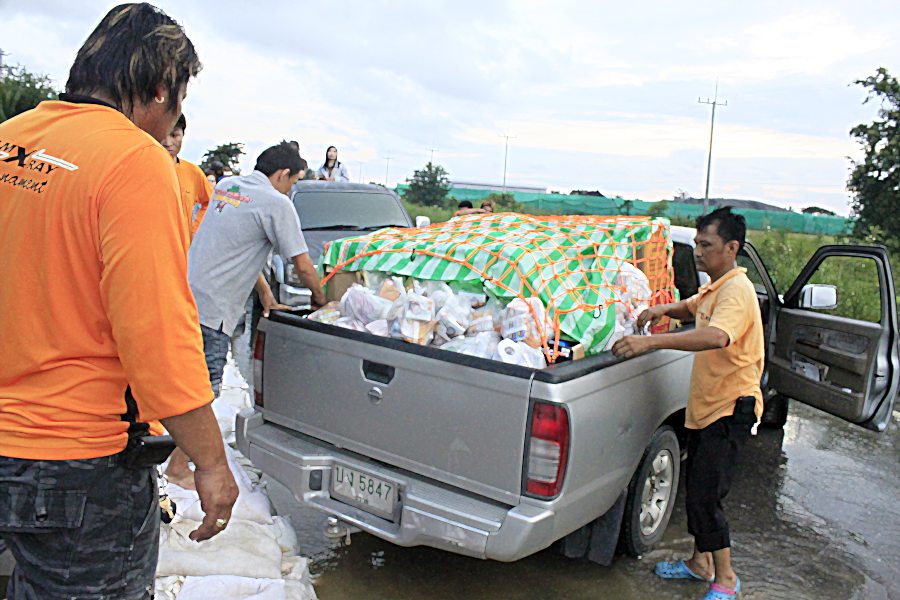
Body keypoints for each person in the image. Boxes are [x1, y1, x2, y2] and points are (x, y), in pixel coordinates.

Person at [0, 4, 238, 599]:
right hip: (76, 466)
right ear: (161, 89)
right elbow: (158, 337)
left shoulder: (10, 139)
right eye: (178, 102)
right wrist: (209, 462)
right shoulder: (136, 162)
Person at [611, 207, 763, 600]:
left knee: (706, 497)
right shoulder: (715, 287)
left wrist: (650, 340)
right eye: (696, 244)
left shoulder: (738, 292)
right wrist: (662, 310)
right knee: (699, 487)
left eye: (706, 245)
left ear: (732, 248)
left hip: (731, 408)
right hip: (708, 405)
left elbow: (715, 337)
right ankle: (700, 564)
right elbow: (692, 307)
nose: (698, 252)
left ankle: (726, 579)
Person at [188, 141, 326, 395]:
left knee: (180, 388)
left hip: (185, 301)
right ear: (283, 174)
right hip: (213, 315)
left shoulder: (227, 186)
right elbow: (303, 265)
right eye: (293, 182)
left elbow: (235, 247)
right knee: (203, 396)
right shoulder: (276, 203)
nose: (289, 190)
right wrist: (321, 301)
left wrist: (266, 293)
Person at [162, 113, 213, 237]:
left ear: (183, 135)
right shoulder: (143, 168)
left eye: (174, 135)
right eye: (163, 135)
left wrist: (194, 230)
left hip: (183, 250)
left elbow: (210, 202)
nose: (168, 142)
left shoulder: (193, 172)